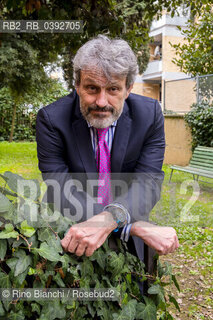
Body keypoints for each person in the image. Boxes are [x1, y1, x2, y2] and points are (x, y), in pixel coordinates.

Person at [36, 35, 179, 265]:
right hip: (72, 237)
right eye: (92, 88)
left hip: (134, 245)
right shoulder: (51, 120)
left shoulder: (150, 115)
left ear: (128, 88)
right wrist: (130, 227)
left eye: (113, 89)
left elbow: (148, 183)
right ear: (77, 85)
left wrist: (111, 221)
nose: (101, 101)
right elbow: (60, 189)